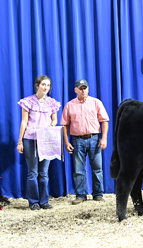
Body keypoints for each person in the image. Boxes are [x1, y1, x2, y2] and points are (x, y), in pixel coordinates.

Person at [60, 79, 109, 205]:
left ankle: (98, 194)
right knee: (78, 170)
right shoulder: (69, 105)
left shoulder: (96, 102)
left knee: (97, 168)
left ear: (88, 89)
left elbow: (104, 121)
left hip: (94, 138)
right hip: (77, 140)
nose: (83, 90)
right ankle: (80, 195)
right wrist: (66, 142)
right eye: (80, 88)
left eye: (85, 88)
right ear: (75, 90)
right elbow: (65, 125)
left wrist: (104, 138)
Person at [17, 75, 61, 210]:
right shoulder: (28, 102)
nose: (45, 87)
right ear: (37, 86)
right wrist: (20, 141)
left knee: (44, 172)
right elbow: (24, 121)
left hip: (46, 139)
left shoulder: (52, 102)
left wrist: (51, 126)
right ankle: (33, 202)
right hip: (30, 139)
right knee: (33, 172)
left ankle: (44, 201)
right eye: (43, 85)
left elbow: (54, 120)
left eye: (48, 85)